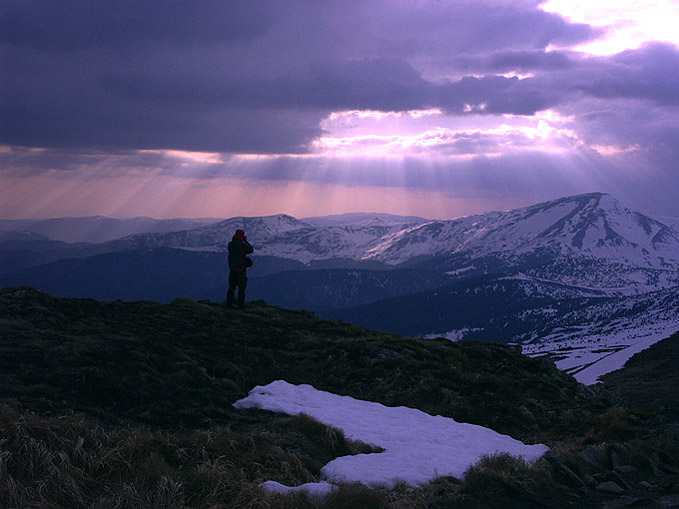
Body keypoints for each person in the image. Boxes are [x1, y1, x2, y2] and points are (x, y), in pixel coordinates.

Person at [226, 229, 254, 309]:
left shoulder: (230, 244)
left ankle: (229, 304)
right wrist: (245, 241)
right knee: (241, 288)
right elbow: (250, 249)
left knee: (231, 287)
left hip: (232, 268)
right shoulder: (242, 245)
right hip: (241, 269)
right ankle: (240, 305)